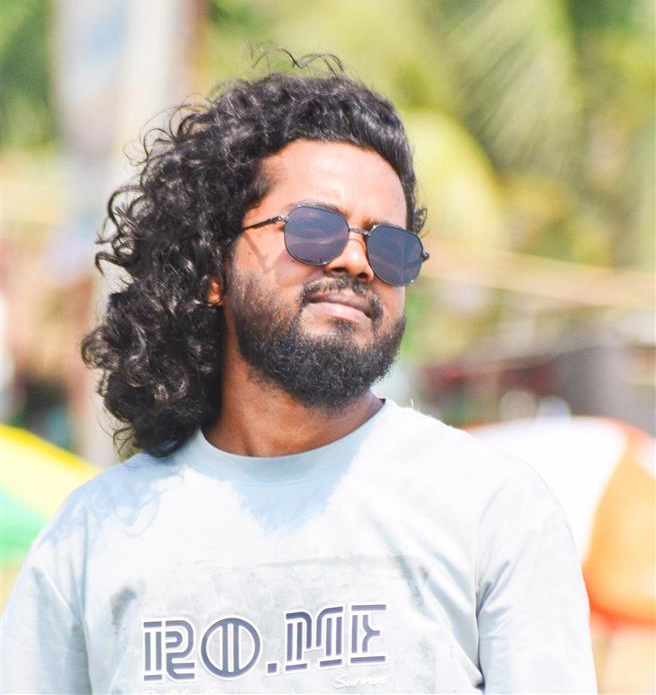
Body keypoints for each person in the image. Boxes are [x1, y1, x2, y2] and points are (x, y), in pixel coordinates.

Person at [1, 59, 597, 694]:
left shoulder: (493, 511)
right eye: (315, 229)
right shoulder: (93, 539)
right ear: (212, 267)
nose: (356, 260)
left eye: (389, 246)